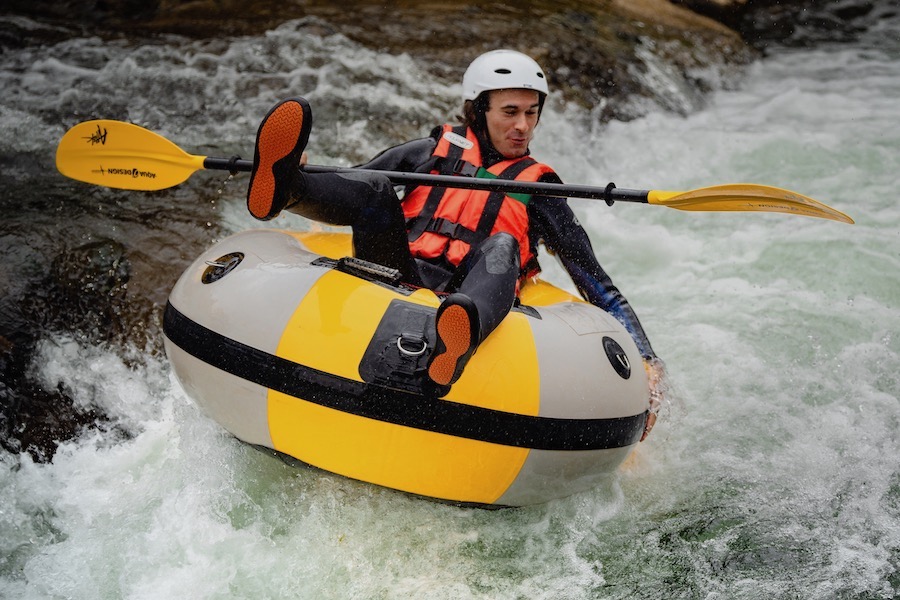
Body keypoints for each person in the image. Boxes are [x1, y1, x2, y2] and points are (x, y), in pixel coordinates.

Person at [246, 49, 666, 439]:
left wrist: (647, 360)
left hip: (470, 297)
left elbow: (598, 285)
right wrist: (307, 179)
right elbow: (352, 188)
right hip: (393, 275)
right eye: (510, 112)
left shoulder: (540, 188)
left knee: (503, 243)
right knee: (374, 188)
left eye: (531, 113)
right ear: (479, 110)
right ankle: (286, 187)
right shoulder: (433, 151)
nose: (522, 126)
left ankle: (458, 341)